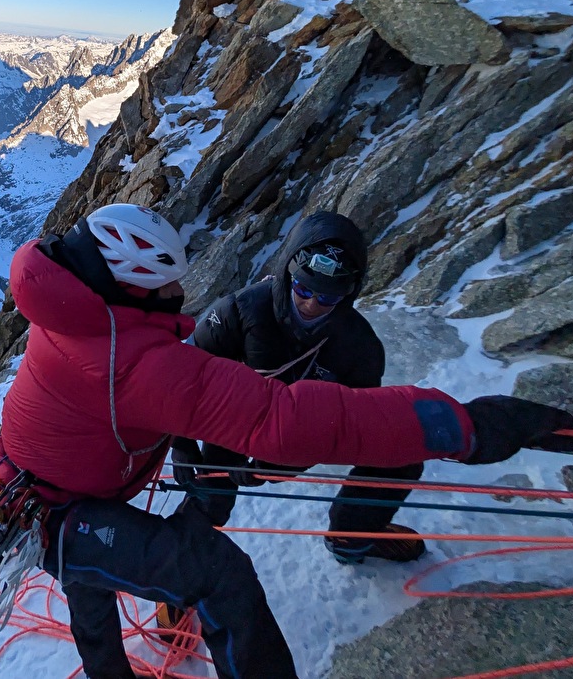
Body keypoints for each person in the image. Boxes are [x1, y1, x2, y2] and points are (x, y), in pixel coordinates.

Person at [0, 202, 573, 679]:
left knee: (89, 579)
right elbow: (289, 421)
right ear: (137, 289)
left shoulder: (74, 315)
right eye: (168, 287)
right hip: (61, 509)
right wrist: (465, 426)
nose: (178, 296)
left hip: (29, 488)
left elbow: (341, 414)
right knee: (218, 573)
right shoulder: (141, 357)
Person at [172, 210, 428, 563]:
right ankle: (182, 572)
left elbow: (354, 423)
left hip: (303, 430)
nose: (310, 304)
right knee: (210, 495)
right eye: (304, 289)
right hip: (232, 419)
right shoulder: (241, 310)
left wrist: (285, 463)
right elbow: (182, 374)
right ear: (287, 274)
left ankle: (352, 535)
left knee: (403, 450)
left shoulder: (360, 347)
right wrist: (181, 443)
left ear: (347, 295)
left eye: (327, 298)